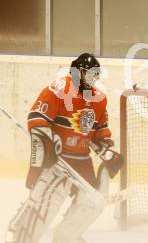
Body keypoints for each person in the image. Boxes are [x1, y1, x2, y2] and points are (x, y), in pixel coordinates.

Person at [6, 53, 123, 243]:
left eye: (94, 75)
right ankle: (23, 239)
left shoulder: (99, 98)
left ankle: (65, 238)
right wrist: (47, 141)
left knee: (91, 203)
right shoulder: (59, 88)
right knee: (48, 202)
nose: (90, 79)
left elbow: (99, 129)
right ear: (75, 71)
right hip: (58, 160)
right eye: (87, 73)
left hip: (82, 161)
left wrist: (106, 149)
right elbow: (36, 118)